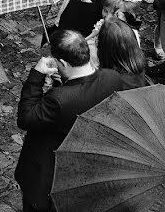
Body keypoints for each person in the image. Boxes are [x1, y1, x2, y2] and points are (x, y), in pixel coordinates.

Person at [14, 29, 144, 212]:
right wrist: (65, 83)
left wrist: (36, 76)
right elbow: (81, 92)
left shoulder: (59, 100)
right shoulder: (112, 78)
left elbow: (26, 118)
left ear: (63, 63)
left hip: (48, 175)